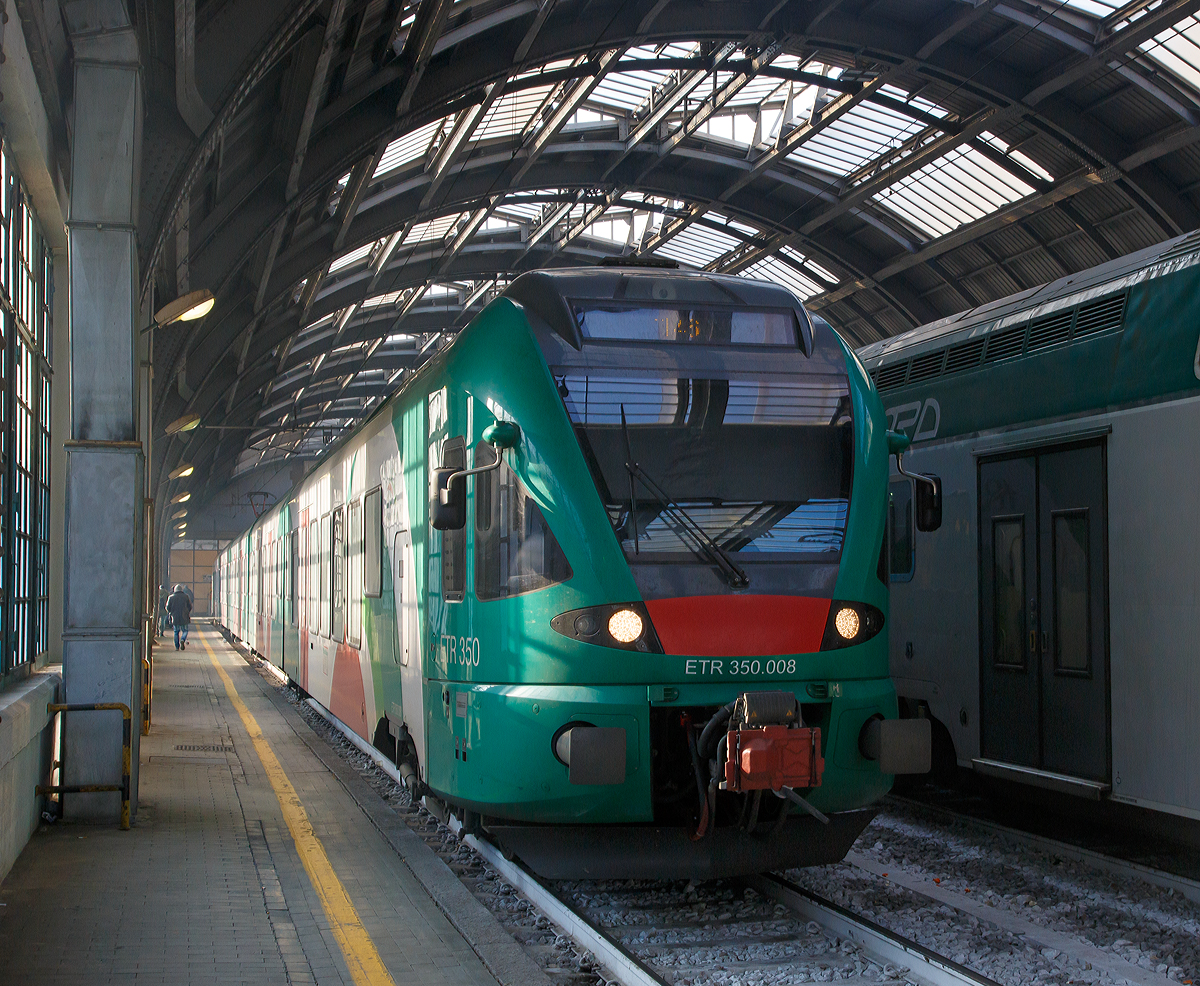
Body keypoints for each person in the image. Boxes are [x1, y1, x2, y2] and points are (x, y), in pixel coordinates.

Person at [166, 584, 192, 650]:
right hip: (184, 617)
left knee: (176, 632)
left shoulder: (171, 597)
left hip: (175, 617)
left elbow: (168, 607)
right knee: (185, 631)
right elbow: (190, 606)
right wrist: (187, 612)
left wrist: (171, 612)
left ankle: (177, 647)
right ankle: (182, 639)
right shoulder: (186, 596)